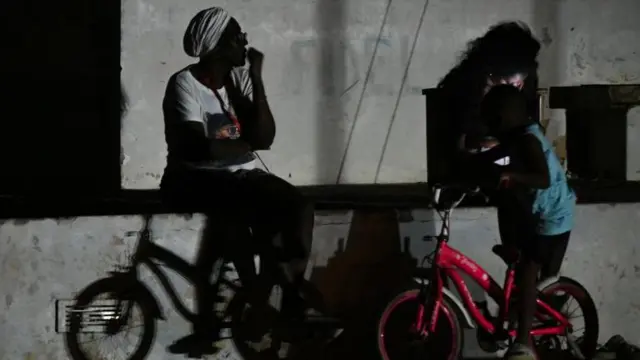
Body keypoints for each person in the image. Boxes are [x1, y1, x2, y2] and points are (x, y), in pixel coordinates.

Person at [159, 7, 315, 355]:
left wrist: (257, 81)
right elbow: (196, 146)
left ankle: (290, 297)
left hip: (242, 175)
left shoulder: (239, 79)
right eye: (236, 35)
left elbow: (266, 135)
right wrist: (245, 143)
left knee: (299, 205)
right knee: (233, 210)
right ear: (215, 46)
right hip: (194, 177)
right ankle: (252, 304)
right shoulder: (184, 84)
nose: (244, 40)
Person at [480, 84, 576, 360]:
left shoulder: (528, 139)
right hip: (538, 211)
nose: (491, 126)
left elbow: (542, 178)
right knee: (505, 201)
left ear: (506, 117)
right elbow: (494, 157)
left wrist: (514, 175)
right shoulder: (517, 135)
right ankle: (515, 259)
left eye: (493, 119)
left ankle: (522, 344)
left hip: (554, 217)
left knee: (529, 273)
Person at [436, 21, 542, 178]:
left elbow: (531, 125)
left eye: (518, 83)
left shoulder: (524, 75)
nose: (518, 86)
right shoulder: (465, 86)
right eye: (510, 83)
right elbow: (459, 144)